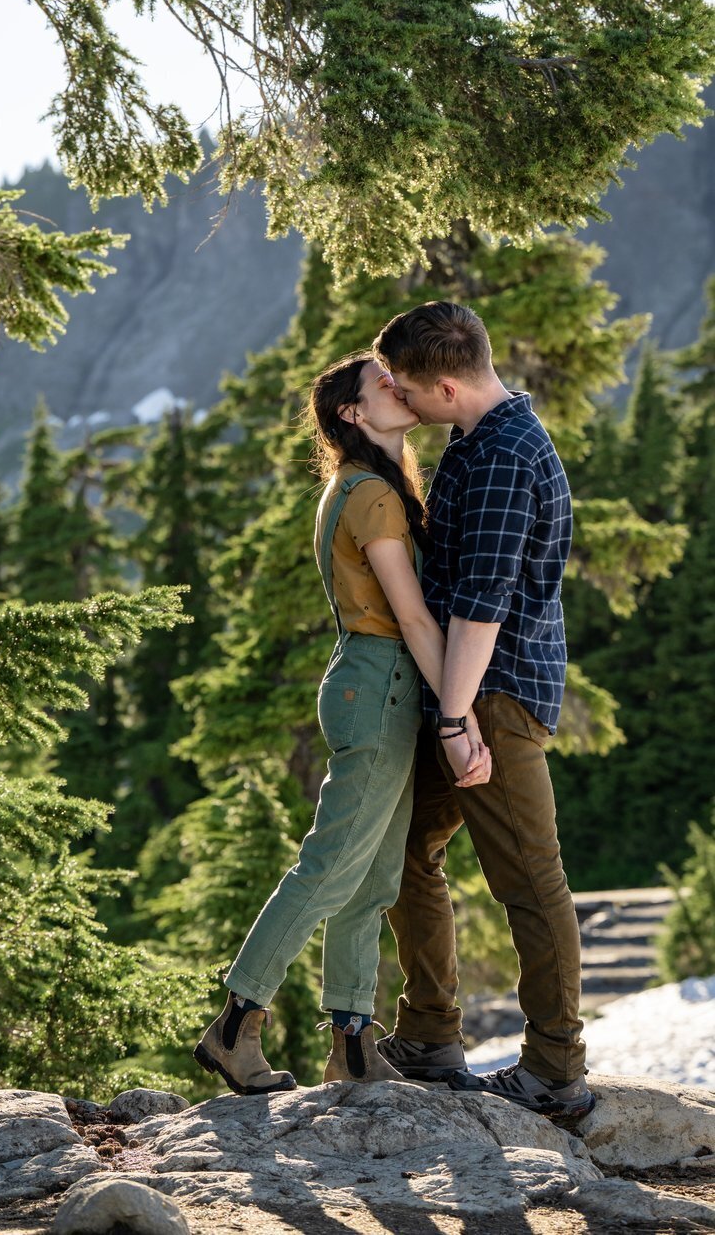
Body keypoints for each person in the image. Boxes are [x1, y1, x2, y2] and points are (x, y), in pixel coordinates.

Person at [194, 351, 490, 1095]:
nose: (399, 386)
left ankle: (352, 1042)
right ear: (353, 416)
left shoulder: (364, 487)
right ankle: (235, 1025)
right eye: (381, 384)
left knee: (374, 875)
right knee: (330, 866)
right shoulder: (373, 497)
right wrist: (458, 718)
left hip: (372, 679)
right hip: (381, 677)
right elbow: (414, 616)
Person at [372, 300, 594, 1121]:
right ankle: (429, 1034)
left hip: (492, 696)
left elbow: (482, 605)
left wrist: (459, 720)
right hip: (462, 693)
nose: (396, 393)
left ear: (448, 384)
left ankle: (555, 1071)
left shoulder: (504, 456)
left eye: (405, 386)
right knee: (398, 848)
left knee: (531, 882)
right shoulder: (472, 438)